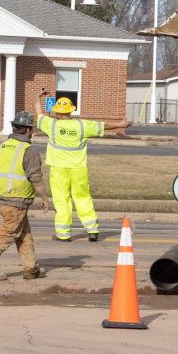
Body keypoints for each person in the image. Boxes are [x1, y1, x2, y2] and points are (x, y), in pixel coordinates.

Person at [36, 89, 131, 242]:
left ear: (58, 113)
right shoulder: (82, 125)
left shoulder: (51, 125)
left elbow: (39, 114)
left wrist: (37, 97)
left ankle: (63, 234)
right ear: (71, 112)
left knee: (62, 200)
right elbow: (104, 125)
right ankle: (92, 229)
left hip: (59, 169)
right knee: (83, 198)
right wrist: (122, 124)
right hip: (78, 168)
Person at [0, 111, 52, 281]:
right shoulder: (29, 150)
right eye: (31, 128)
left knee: (24, 234)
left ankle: (31, 269)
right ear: (28, 129)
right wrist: (45, 199)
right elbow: (36, 177)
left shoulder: (1, 147)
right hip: (17, 201)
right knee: (6, 234)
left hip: (3, 198)